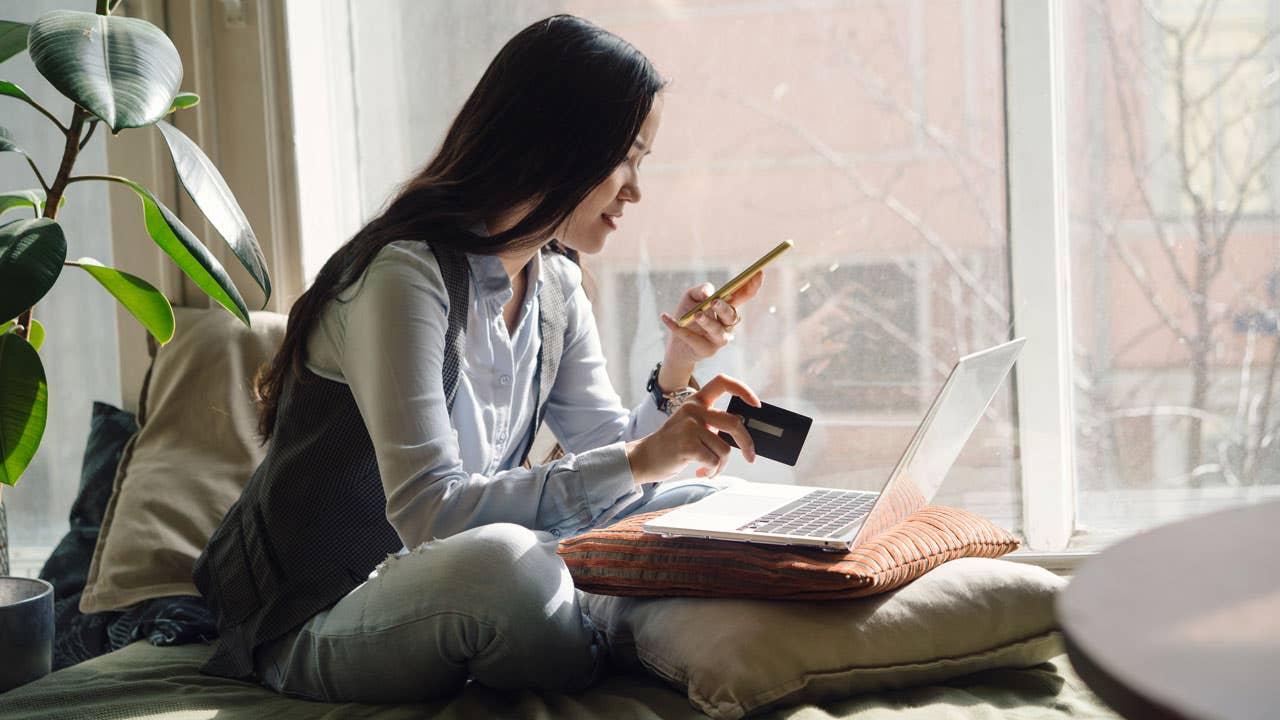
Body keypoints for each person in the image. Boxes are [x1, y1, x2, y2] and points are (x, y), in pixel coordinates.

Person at [193, 14, 766, 703]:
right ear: (555, 144)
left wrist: (676, 371)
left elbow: (610, 456)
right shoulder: (403, 276)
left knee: (719, 501)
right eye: (627, 157)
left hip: (463, 578)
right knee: (508, 571)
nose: (635, 189)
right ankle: (616, 623)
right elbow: (430, 514)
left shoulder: (554, 284)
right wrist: (641, 461)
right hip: (324, 612)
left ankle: (610, 613)